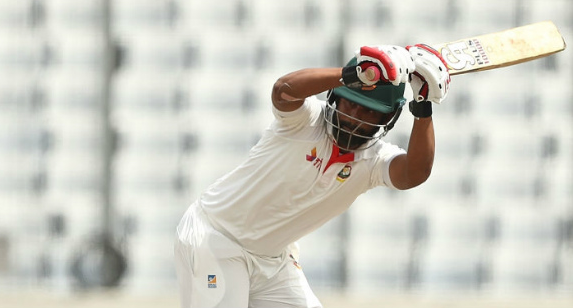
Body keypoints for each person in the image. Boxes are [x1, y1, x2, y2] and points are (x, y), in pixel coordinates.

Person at [174, 44, 451, 308]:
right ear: (335, 96)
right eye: (350, 104)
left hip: (272, 259)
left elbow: (414, 173)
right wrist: (352, 75)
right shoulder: (305, 120)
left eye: (368, 111)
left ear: (387, 119)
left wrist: (423, 108)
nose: (354, 118)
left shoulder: (372, 160)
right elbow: (282, 90)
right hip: (217, 238)